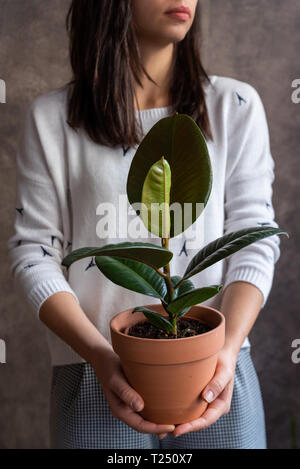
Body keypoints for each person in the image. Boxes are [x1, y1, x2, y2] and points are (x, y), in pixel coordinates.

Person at [7, 0, 281, 449]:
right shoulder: (52, 118)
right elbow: (34, 251)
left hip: (215, 374)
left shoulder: (234, 106)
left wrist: (227, 352)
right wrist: (99, 356)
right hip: (94, 376)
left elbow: (254, 241)